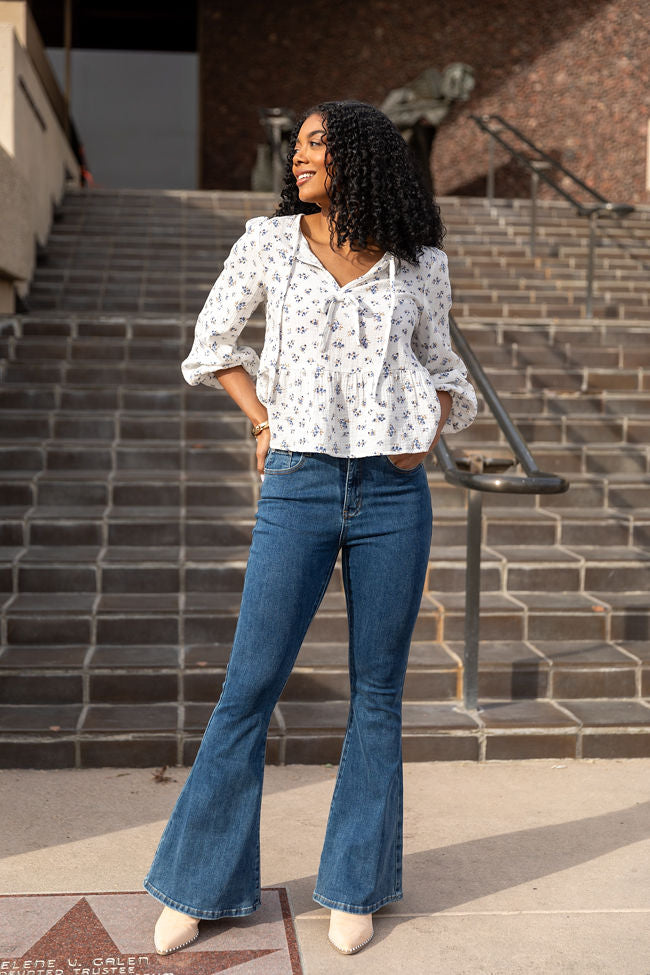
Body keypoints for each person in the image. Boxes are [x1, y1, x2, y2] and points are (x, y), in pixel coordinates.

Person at [143, 99, 477, 957]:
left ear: (360, 157)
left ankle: (356, 884)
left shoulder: (420, 264)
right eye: (296, 146)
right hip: (297, 483)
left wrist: (429, 427)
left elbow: (445, 366)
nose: (299, 158)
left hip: (394, 496)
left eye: (316, 146)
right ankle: (201, 882)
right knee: (249, 687)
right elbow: (212, 340)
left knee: (377, 694)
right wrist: (262, 421)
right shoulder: (268, 242)